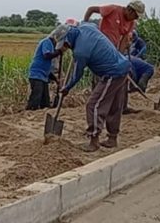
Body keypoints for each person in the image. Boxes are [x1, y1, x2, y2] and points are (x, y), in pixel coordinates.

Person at [56, 22, 131, 152]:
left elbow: (77, 73)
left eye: (66, 44)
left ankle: (94, 140)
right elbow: (94, 25)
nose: (67, 47)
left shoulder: (80, 52)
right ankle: (112, 138)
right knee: (114, 105)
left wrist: (67, 87)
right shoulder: (86, 27)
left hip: (112, 73)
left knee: (94, 105)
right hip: (123, 66)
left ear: (68, 38)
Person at [26, 32, 60, 110]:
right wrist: (58, 53)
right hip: (37, 74)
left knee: (45, 102)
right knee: (36, 97)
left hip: (43, 76)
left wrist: (55, 79)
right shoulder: (47, 42)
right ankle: (30, 111)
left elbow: (47, 70)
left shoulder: (51, 45)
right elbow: (46, 55)